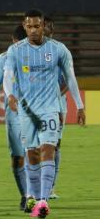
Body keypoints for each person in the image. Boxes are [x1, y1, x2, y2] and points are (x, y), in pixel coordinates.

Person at [3, 9, 85, 218]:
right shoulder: (16, 50)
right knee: (32, 154)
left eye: (37, 26)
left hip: (50, 109)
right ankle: (32, 195)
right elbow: (8, 74)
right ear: (24, 26)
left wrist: (80, 105)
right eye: (29, 26)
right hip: (27, 111)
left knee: (48, 150)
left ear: (43, 26)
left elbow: (71, 78)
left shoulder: (58, 49)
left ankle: (43, 200)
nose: (33, 30)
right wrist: (10, 94)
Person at [0, 25, 28, 210]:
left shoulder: (39, 55)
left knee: (36, 154)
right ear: (13, 42)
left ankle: (35, 194)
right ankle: (25, 195)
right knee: (18, 157)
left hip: (37, 112)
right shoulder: (4, 59)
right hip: (14, 116)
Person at [44, 16, 64, 199]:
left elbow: (68, 79)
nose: (47, 29)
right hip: (35, 105)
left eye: (50, 26)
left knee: (55, 146)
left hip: (56, 105)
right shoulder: (27, 49)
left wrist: (56, 97)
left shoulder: (58, 50)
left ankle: (51, 187)